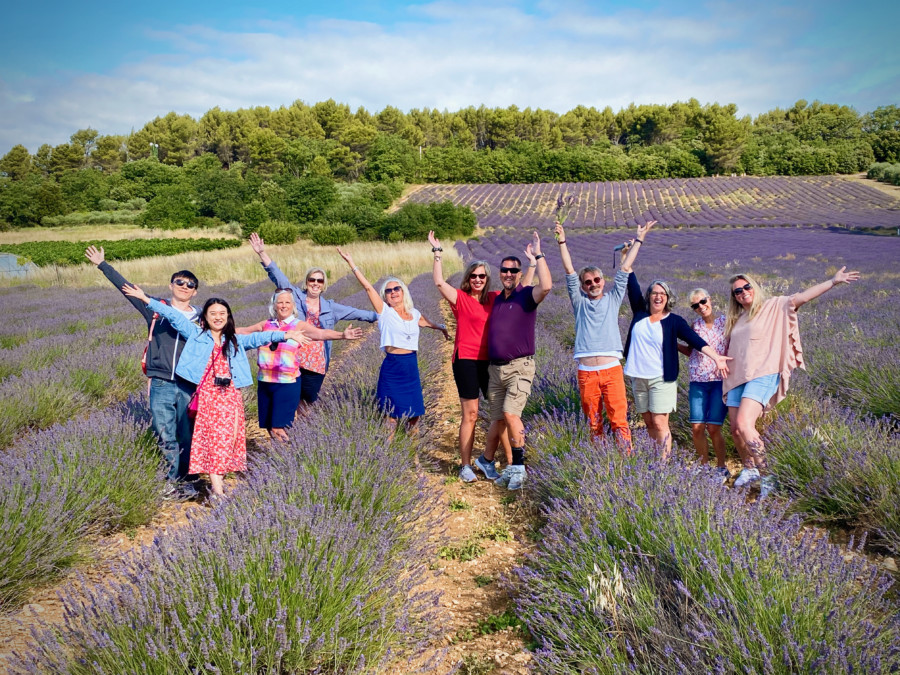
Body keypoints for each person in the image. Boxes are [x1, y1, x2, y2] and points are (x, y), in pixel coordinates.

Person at [121, 285, 307, 497]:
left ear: (228, 317)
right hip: (208, 397)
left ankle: (216, 483)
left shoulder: (235, 341)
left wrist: (286, 335)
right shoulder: (196, 335)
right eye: (213, 314)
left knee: (229, 441)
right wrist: (146, 299)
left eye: (222, 314)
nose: (218, 318)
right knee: (213, 440)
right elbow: (173, 316)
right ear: (205, 317)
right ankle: (217, 491)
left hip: (230, 398)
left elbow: (259, 338)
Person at [723, 267, 859, 497]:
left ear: (754, 287)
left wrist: (833, 281)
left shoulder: (773, 306)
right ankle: (749, 469)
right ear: (734, 297)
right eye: (738, 291)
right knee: (736, 429)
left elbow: (804, 296)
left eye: (747, 287)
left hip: (763, 373)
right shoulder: (737, 318)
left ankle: (768, 476)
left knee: (746, 425)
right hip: (737, 377)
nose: (743, 292)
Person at [84, 245, 200, 500]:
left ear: (195, 291)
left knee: (187, 433)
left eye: (190, 284)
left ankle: (190, 480)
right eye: (179, 282)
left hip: (188, 384)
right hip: (160, 381)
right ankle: (171, 480)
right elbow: (127, 289)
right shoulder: (155, 308)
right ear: (171, 285)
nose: (184, 286)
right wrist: (102, 265)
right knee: (163, 431)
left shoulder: (201, 317)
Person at [428, 231, 535, 482]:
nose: (477, 279)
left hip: (491, 362)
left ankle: (508, 463)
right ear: (468, 278)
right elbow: (439, 283)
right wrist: (437, 253)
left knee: (500, 416)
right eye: (473, 276)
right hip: (465, 359)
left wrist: (530, 263)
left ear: (488, 280)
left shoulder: (496, 299)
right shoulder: (461, 298)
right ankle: (465, 465)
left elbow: (523, 289)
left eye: (482, 276)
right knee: (472, 414)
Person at [555, 219, 655, 451]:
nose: (593, 284)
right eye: (588, 282)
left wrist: (639, 239)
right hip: (587, 372)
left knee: (619, 420)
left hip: (611, 369)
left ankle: (625, 462)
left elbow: (625, 270)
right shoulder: (579, 302)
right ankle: (601, 461)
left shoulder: (612, 298)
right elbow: (569, 270)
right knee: (594, 423)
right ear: (582, 286)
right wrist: (562, 241)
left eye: (597, 280)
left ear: (603, 281)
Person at [249, 233, 378, 407]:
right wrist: (262, 253)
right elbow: (278, 276)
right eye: (312, 279)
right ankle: (289, 431)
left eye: (319, 280)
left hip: (316, 363)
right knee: (289, 401)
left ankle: (300, 432)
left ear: (324, 284)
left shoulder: (331, 307)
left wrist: (389, 315)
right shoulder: (295, 296)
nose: (315, 283)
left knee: (307, 403)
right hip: (291, 357)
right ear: (306, 282)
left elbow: (360, 313)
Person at [336, 247, 450, 435]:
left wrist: (442, 327)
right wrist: (352, 264)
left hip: (410, 367)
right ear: (385, 297)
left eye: (397, 288)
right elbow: (367, 287)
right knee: (391, 415)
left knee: (415, 415)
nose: (393, 292)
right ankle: (388, 452)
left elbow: (428, 323)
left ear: (403, 291)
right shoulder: (385, 312)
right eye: (389, 291)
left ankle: (413, 458)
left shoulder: (414, 314)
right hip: (393, 367)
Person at [473, 231, 553, 490]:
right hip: (495, 370)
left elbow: (546, 286)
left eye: (513, 271)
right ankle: (489, 461)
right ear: (501, 273)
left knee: (510, 413)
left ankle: (518, 467)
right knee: (497, 419)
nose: (508, 274)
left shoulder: (527, 297)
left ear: (519, 274)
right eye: (504, 270)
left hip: (520, 367)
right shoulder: (498, 299)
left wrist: (538, 256)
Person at [624, 271, 731, 458]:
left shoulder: (674, 321)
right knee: (648, 422)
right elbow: (632, 288)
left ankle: (663, 465)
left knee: (659, 423)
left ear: (667, 298)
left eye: (662, 294)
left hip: (661, 378)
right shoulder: (639, 313)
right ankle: (654, 458)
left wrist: (716, 357)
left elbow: (696, 341)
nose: (658, 296)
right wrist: (628, 265)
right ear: (648, 296)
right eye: (654, 293)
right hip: (638, 377)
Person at [237, 289, 363, 441]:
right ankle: (281, 456)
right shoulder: (266, 324)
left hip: (286, 383)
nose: (283, 305)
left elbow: (320, 334)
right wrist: (216, 330)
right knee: (270, 427)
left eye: (287, 302)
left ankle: (289, 456)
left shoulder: (298, 325)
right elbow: (243, 331)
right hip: (265, 381)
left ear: (293, 306)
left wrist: (342, 335)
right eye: (280, 302)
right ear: (274, 305)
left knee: (278, 428)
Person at [677, 289, 730, 482]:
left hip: (719, 381)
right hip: (698, 381)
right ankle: (704, 467)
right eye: (695, 305)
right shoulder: (695, 326)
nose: (700, 306)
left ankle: (722, 467)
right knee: (697, 427)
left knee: (714, 428)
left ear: (711, 299)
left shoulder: (726, 322)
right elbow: (691, 352)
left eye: (703, 301)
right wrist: (671, 343)